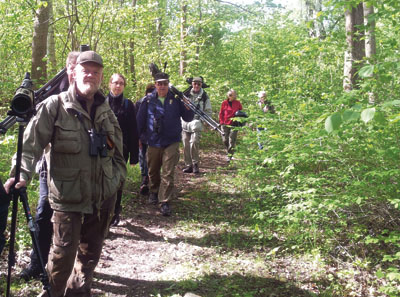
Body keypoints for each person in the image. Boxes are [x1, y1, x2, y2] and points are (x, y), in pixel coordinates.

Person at [4, 50, 126, 297]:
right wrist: (21, 173)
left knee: (90, 256)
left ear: (101, 76)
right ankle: (53, 293)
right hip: (68, 198)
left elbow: (119, 155)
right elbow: (30, 145)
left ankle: (78, 293)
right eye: (85, 70)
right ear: (74, 73)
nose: (90, 75)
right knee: (62, 257)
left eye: (95, 72)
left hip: (102, 198)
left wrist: (115, 181)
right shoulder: (55, 106)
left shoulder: (106, 111)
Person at [20, 51, 80, 281]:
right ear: (67, 68)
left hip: (80, 170)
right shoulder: (52, 93)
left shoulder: (93, 96)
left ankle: (69, 266)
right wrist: (22, 171)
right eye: (71, 66)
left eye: (78, 66)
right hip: (50, 166)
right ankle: (38, 263)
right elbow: (34, 137)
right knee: (44, 213)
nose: (75, 71)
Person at [136, 72, 194, 216]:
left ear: (168, 84)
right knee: (153, 170)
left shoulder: (175, 100)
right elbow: (139, 122)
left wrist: (188, 106)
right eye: (159, 83)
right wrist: (140, 139)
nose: (162, 86)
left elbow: (188, 118)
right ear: (155, 85)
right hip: (153, 142)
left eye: (165, 83)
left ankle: (165, 201)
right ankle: (154, 191)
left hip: (171, 141)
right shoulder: (148, 101)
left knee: (168, 172)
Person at [107, 73, 139, 226]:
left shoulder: (128, 105)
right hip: (103, 150)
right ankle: (104, 212)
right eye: (115, 83)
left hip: (122, 150)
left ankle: (115, 211)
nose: (118, 86)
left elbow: (133, 131)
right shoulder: (101, 103)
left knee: (118, 181)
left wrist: (134, 156)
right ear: (109, 84)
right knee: (104, 181)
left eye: (121, 83)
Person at [181, 77, 212, 174]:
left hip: (196, 123)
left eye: (199, 84)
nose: (197, 86)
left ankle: (195, 164)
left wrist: (202, 121)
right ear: (192, 84)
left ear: (201, 85)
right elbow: (179, 107)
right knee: (186, 144)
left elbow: (208, 111)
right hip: (185, 122)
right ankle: (188, 165)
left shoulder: (204, 96)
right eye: (195, 83)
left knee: (194, 142)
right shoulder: (185, 94)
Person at [135, 83, 156, 195]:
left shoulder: (159, 102)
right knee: (142, 157)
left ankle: (152, 181)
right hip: (143, 136)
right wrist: (137, 137)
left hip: (155, 136)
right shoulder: (140, 102)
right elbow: (137, 121)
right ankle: (144, 179)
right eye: (150, 91)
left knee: (154, 160)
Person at [219, 89, 243, 161]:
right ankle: (229, 151)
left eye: (232, 95)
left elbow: (241, 113)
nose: (230, 96)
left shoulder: (238, 103)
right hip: (225, 123)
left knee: (232, 140)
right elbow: (221, 113)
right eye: (229, 95)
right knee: (225, 140)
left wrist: (239, 121)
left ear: (234, 96)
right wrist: (221, 122)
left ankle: (229, 155)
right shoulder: (224, 103)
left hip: (234, 124)